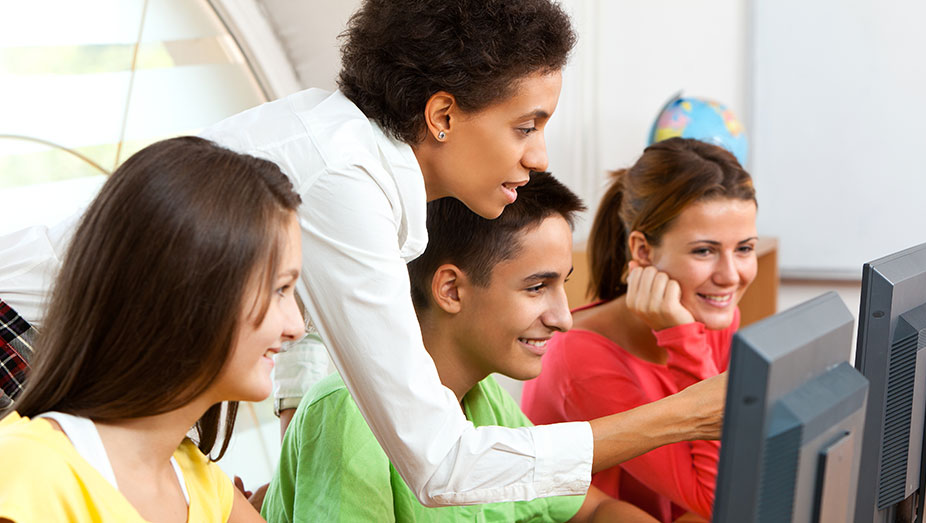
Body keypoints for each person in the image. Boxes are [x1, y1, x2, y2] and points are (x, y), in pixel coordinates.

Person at [0, 0, 725, 507]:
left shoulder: (346, 155)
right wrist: (685, 416)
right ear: (442, 114)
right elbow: (438, 461)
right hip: (23, 338)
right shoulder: (344, 181)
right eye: (525, 125)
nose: (538, 156)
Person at [261, 172, 657, 522]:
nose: (564, 317)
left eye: (562, 285)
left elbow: (593, 509)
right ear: (450, 289)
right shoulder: (348, 412)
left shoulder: (488, 403)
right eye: (537, 287)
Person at [0, 137, 305, 522]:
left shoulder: (202, 483)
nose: (295, 326)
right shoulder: (30, 479)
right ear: (189, 293)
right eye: (280, 289)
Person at [522, 138, 758, 522]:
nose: (730, 276)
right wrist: (683, 342)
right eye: (704, 251)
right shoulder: (579, 357)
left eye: (744, 248)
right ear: (643, 251)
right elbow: (718, 500)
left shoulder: (715, 317)